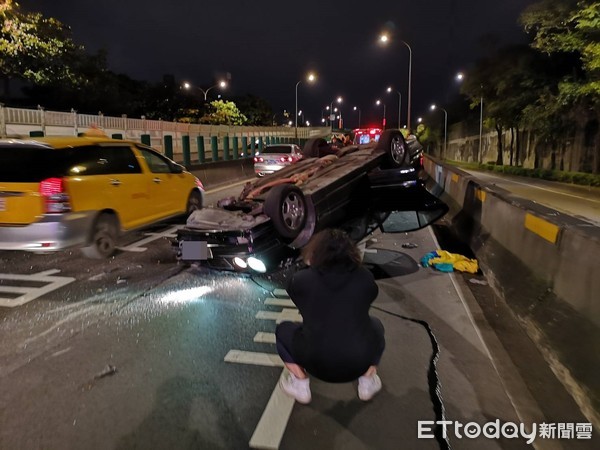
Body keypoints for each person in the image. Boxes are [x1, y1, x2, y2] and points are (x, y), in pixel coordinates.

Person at [275, 228, 385, 404]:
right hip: (359, 362)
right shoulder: (365, 277)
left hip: (315, 362)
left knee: (283, 330)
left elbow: (294, 291)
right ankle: (367, 380)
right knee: (377, 327)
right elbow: (371, 294)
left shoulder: (302, 279)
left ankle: (300, 383)